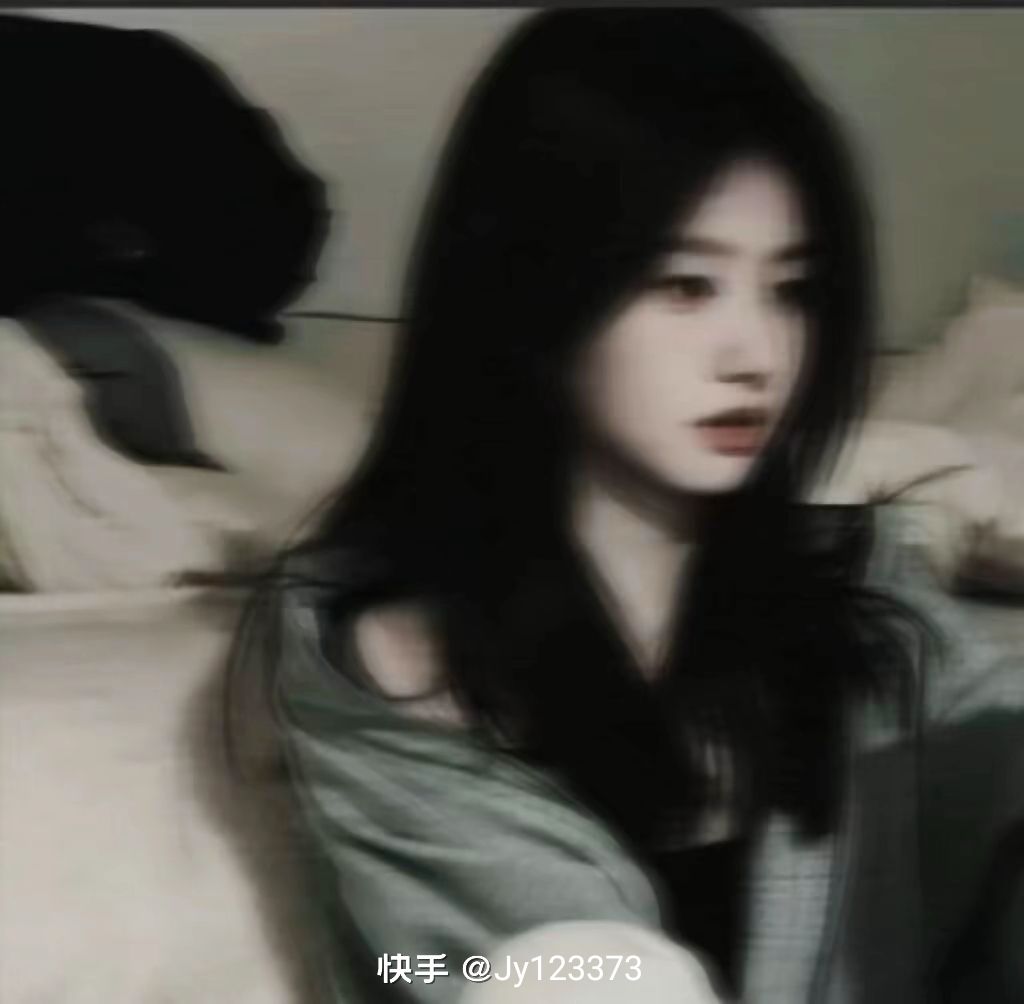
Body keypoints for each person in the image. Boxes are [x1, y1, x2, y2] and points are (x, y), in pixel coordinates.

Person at [226, 10, 1023, 1003]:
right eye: (687, 285)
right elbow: (466, 964)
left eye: (790, 290)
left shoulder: (862, 592)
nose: (755, 353)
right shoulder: (384, 653)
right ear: (535, 289)